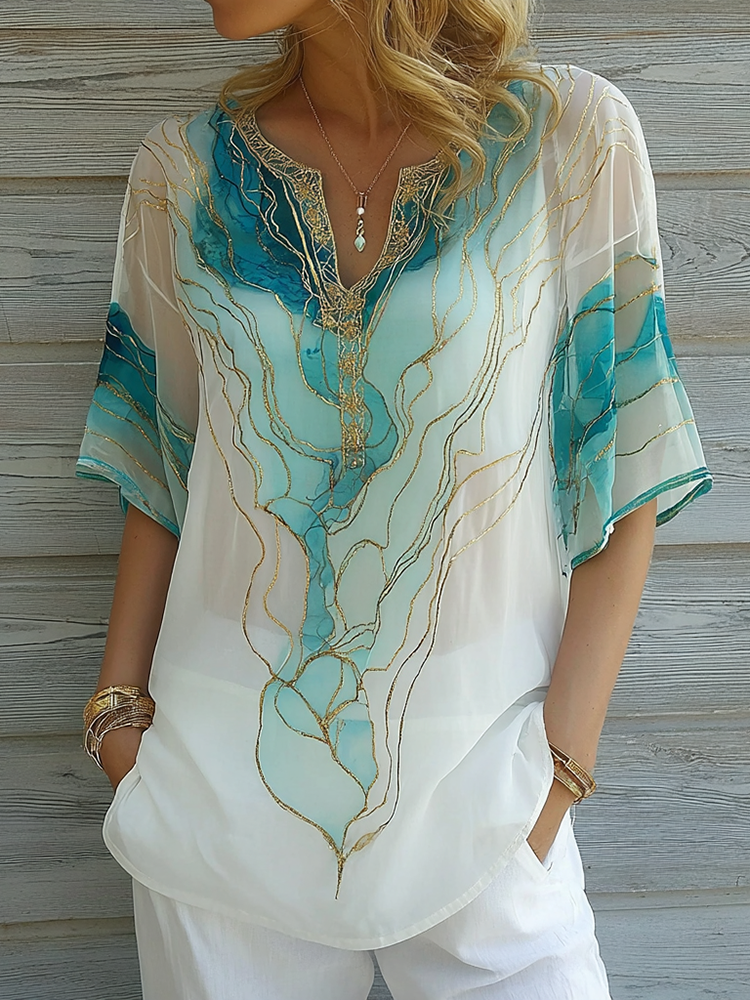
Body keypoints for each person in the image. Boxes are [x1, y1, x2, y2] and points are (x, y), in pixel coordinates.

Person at [76, 2, 713, 997]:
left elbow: (623, 450)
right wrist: (119, 721)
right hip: (215, 811)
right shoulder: (184, 174)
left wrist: (558, 772)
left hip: (489, 798)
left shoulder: (568, 140)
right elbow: (161, 462)